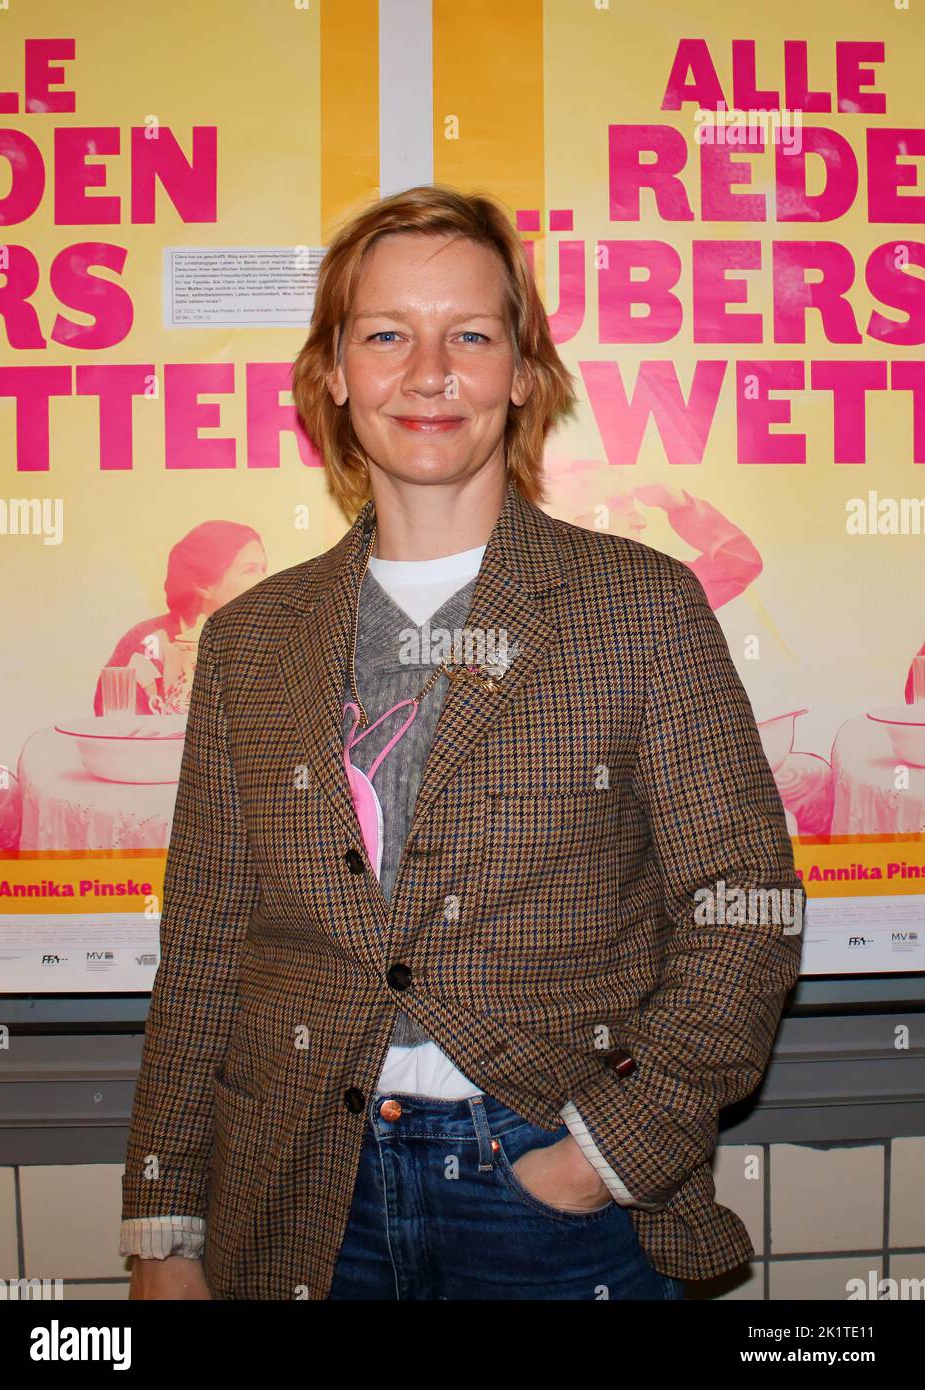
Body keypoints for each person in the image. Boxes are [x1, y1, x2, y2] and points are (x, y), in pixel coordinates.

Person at [120, 184, 804, 1301]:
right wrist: (163, 1227)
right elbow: (204, 943)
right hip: (298, 1192)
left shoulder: (640, 607)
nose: (427, 372)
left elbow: (745, 906)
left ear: (523, 372)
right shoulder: (249, 642)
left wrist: (602, 1155)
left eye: (470, 336)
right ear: (335, 372)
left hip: (548, 1190)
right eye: (387, 334)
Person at [93, 522, 267, 715]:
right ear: (204, 585)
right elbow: (118, 728)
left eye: (264, 569)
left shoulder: (268, 642)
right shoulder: (146, 643)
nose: (266, 580)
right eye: (250, 570)